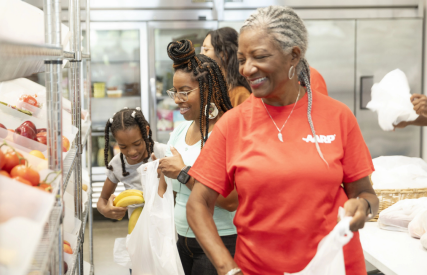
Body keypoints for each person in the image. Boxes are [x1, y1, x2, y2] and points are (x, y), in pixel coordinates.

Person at [186, 6, 379, 275]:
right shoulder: (234, 123)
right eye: (242, 59)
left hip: (335, 266)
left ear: (294, 55)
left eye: (260, 56)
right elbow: (198, 204)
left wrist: (364, 207)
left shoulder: (338, 116)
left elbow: (365, 192)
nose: (247, 69)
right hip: (258, 269)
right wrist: (226, 267)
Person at [155, 39, 238, 275]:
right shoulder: (181, 130)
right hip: (180, 240)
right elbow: (168, 188)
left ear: (209, 90)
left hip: (219, 241)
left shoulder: (227, 131)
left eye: (185, 92)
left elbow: (231, 200)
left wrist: (183, 173)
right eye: (175, 91)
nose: (177, 99)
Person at [97, 108, 167, 220]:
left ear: (146, 131)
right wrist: (106, 211)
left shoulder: (163, 153)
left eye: (137, 144)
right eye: (123, 147)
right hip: (137, 227)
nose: (132, 152)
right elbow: (102, 199)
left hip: (166, 223)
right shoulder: (117, 164)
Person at [201, 27, 251, 107]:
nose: (201, 54)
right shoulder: (212, 91)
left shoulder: (240, 95)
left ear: (224, 54)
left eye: (206, 50)